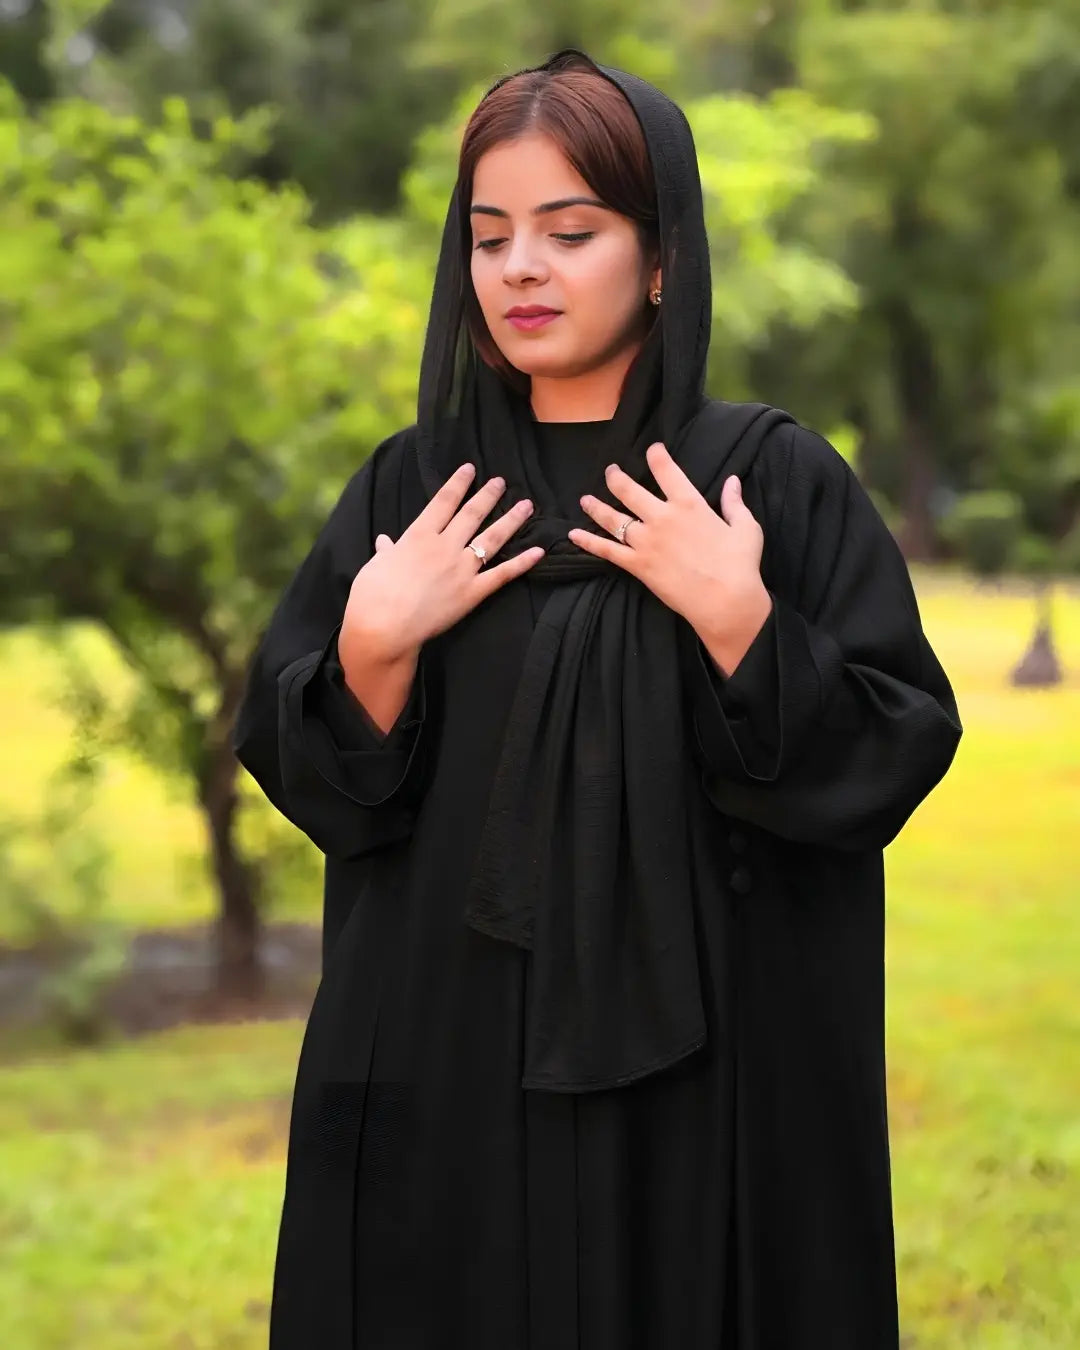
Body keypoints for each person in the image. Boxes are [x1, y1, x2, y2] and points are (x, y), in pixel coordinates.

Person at [231, 47, 963, 1350]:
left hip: (716, 1072)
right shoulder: (418, 491)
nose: (521, 269)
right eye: (490, 236)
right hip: (448, 1061)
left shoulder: (763, 483)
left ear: (663, 256)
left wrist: (740, 621)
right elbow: (317, 773)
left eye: (570, 233)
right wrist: (374, 646)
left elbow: (888, 754)